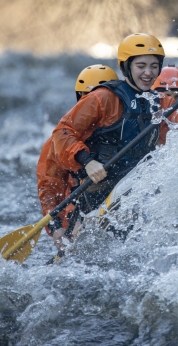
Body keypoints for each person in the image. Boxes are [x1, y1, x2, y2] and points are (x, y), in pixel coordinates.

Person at [50, 33, 178, 235]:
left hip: (137, 182)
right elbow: (63, 132)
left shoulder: (157, 100)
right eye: (141, 66)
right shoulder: (103, 98)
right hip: (100, 188)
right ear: (126, 67)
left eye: (154, 66)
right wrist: (87, 160)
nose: (148, 73)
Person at [38, 64, 119, 250]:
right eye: (85, 98)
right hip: (77, 209)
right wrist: (56, 226)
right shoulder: (58, 141)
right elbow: (49, 186)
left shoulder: (121, 130)